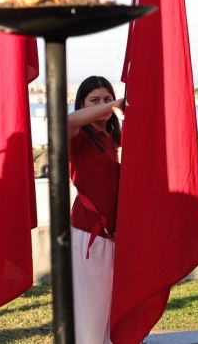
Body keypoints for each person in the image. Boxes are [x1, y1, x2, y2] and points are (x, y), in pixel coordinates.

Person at [67, 75, 125, 344]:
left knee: (114, 313)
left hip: (118, 237)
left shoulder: (116, 137)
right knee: (90, 316)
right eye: (95, 101)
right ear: (82, 104)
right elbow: (67, 121)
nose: (103, 105)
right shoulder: (79, 137)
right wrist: (114, 105)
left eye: (107, 98)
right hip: (89, 234)